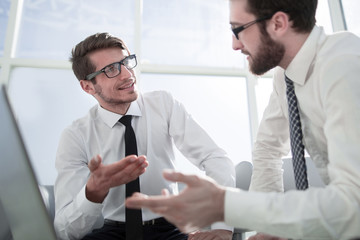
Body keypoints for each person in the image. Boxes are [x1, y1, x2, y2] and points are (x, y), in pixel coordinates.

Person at [125, 0, 360, 239]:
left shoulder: (343, 63)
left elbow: (354, 203)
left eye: (238, 30)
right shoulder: (285, 78)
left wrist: (226, 204)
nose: (235, 45)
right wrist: (269, 228)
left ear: (278, 23)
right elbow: (267, 150)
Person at [54, 32, 235, 240]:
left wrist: (222, 227)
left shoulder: (163, 105)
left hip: (170, 230)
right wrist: (93, 192)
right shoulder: (75, 136)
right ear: (87, 86)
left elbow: (215, 159)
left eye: (126, 62)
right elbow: (65, 231)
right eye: (111, 69)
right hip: (112, 232)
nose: (127, 74)